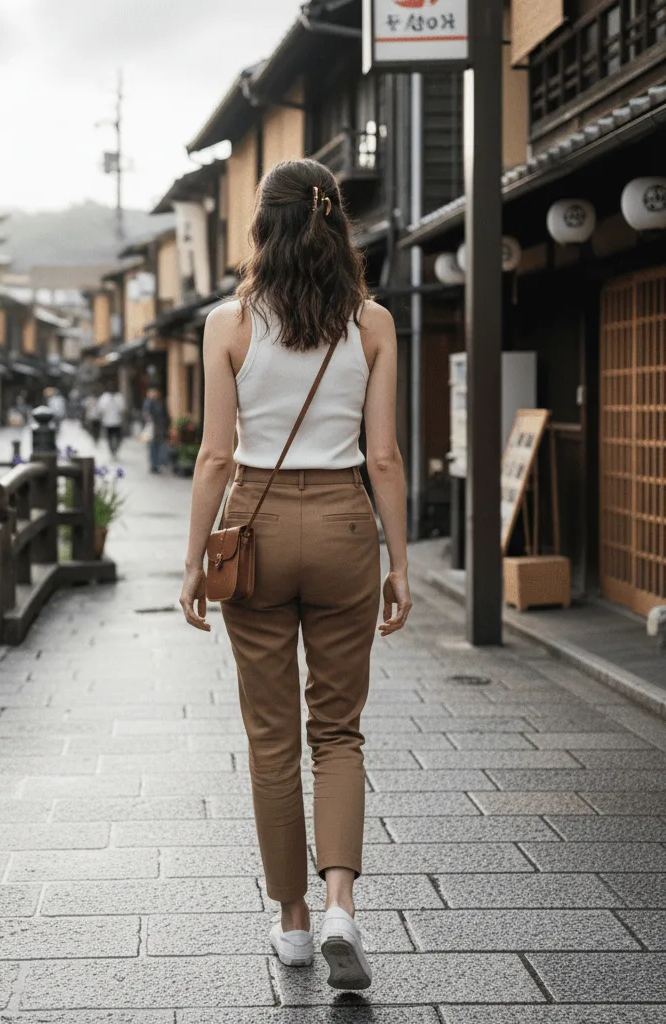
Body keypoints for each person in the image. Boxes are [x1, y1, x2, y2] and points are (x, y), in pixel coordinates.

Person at [178, 160, 412, 990]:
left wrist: (193, 562)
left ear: (261, 227)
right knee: (338, 730)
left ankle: (294, 923)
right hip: (346, 524)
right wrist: (400, 562)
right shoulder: (372, 322)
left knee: (271, 735)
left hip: (257, 527)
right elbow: (384, 457)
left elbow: (214, 455)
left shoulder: (227, 323)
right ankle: (343, 903)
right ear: (336, 224)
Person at [141, 387, 169, 473]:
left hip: (160, 429)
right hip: (152, 430)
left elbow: (165, 415)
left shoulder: (160, 402)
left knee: (160, 447)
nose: (154, 394)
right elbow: (146, 415)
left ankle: (159, 465)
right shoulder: (148, 402)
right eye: (152, 392)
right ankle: (153, 466)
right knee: (152, 448)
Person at [97, 383, 126, 457]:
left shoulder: (118, 396)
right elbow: (101, 408)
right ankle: (112, 451)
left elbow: (122, 408)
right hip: (108, 422)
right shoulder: (104, 397)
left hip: (117, 421)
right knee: (109, 438)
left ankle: (116, 449)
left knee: (118, 437)